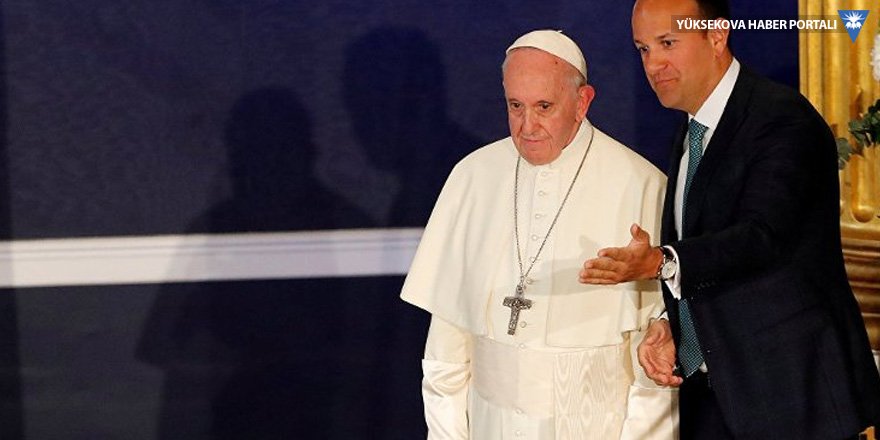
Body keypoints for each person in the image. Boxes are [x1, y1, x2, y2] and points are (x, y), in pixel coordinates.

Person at [579, 0, 880, 438]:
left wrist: (660, 262)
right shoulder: (693, 128)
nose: (653, 64)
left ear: (717, 35)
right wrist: (673, 324)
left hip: (793, 402)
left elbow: (762, 238)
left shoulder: (782, 118)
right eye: (643, 49)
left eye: (668, 43)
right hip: (714, 397)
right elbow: (711, 251)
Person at [401, 30, 675, 439]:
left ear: (582, 102)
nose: (527, 126)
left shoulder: (640, 184)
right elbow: (446, 353)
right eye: (516, 106)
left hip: (595, 426)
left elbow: (653, 367)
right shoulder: (473, 176)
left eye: (544, 107)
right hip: (490, 425)